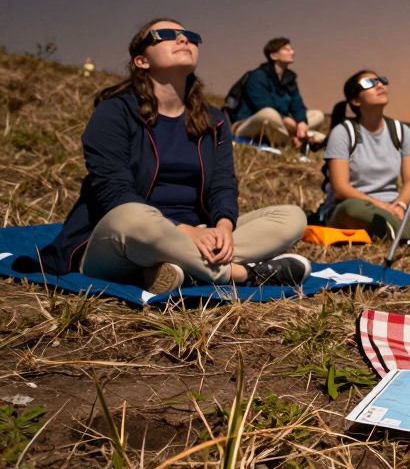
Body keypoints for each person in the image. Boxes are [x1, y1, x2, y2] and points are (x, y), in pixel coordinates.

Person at [36, 19, 310, 291]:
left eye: (189, 35)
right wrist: (188, 232)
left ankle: (179, 270)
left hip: (197, 232)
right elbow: (114, 192)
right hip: (125, 236)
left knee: (292, 217)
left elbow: (223, 184)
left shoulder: (213, 120)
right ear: (141, 61)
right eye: (166, 34)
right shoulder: (115, 112)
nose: (183, 39)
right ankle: (242, 274)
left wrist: (223, 228)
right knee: (131, 216)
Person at [322, 70, 410, 243]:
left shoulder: (400, 131)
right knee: (353, 209)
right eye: (369, 83)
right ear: (355, 100)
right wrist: (383, 207)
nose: (379, 85)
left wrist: (400, 205)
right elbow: (340, 189)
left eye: (381, 80)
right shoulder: (343, 133)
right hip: (355, 207)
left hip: (394, 206)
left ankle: (400, 230)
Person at [230, 37, 325, 146]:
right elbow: (263, 106)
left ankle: (295, 137)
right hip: (252, 124)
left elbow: (297, 105)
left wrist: (301, 122)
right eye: (286, 49)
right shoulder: (257, 76)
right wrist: (288, 120)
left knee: (318, 115)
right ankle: (298, 141)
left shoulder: (290, 79)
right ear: (273, 55)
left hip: (282, 124)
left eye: (291, 49)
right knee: (269, 114)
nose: (292, 52)